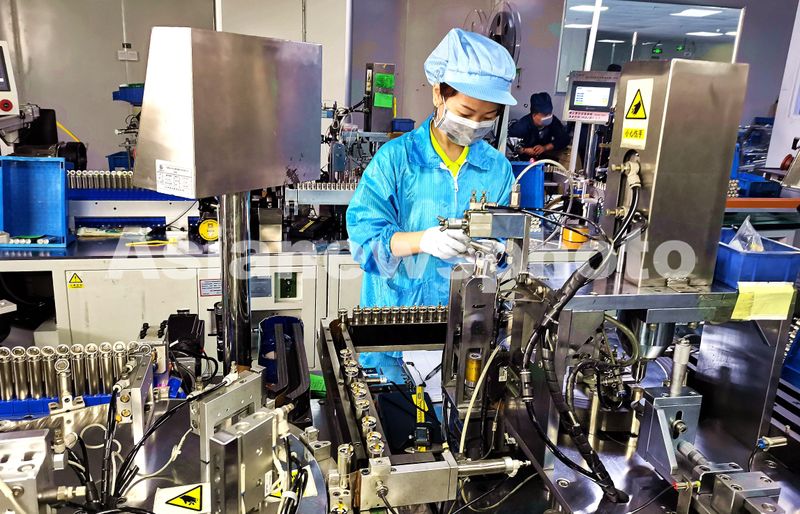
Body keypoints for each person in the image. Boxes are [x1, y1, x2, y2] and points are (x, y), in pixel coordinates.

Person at [346, 28, 516, 368]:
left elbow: (506, 248)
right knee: (393, 400)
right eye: (466, 112)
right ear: (439, 93)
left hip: (467, 332)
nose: (475, 125)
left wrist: (498, 252)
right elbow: (364, 243)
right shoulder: (397, 159)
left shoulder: (497, 169)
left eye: (487, 118)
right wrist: (423, 240)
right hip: (397, 327)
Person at [508, 92, 569, 160]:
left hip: (544, 158)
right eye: (545, 115)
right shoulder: (521, 126)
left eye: (550, 113)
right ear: (534, 115)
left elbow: (564, 138)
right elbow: (509, 144)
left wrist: (545, 147)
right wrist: (524, 150)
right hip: (524, 161)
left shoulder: (553, 121)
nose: (548, 117)